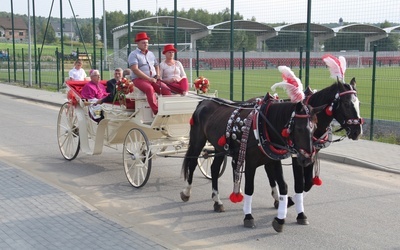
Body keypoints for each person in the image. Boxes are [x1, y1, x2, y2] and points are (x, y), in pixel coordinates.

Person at [128, 32, 172, 115]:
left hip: (153, 78)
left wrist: (158, 75)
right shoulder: (133, 54)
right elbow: (135, 70)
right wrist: (148, 79)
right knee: (149, 88)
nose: (146, 44)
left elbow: (156, 65)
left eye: (147, 43)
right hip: (138, 79)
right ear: (137, 43)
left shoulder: (151, 54)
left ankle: (167, 109)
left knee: (166, 89)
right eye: (143, 43)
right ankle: (157, 111)